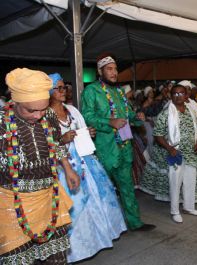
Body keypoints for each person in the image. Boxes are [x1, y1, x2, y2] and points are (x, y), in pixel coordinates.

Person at [0, 68, 80, 264]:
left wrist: (68, 169)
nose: (38, 115)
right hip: (12, 204)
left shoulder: (49, 116)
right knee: (19, 258)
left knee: (57, 258)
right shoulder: (2, 122)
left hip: (48, 197)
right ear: (15, 102)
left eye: (42, 109)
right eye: (31, 110)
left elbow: (56, 143)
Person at [48, 73, 127, 262]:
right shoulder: (44, 115)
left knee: (96, 198)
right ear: (48, 92)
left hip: (85, 160)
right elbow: (48, 144)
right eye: (58, 88)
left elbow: (83, 128)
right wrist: (63, 139)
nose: (63, 91)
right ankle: (78, 250)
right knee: (76, 207)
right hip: (64, 166)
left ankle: (99, 239)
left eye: (64, 87)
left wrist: (88, 132)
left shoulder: (72, 110)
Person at [81, 53, 155, 232]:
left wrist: (137, 118)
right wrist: (109, 122)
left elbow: (128, 115)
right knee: (103, 190)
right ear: (100, 71)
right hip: (105, 149)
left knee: (127, 187)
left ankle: (134, 222)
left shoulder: (120, 92)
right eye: (109, 69)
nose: (114, 73)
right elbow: (87, 116)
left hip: (124, 147)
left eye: (115, 69)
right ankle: (104, 228)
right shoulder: (92, 91)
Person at [152, 84, 197, 223]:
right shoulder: (166, 113)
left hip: (191, 153)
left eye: (181, 93)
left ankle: (189, 207)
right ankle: (175, 211)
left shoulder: (191, 110)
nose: (178, 96)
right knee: (175, 182)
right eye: (175, 94)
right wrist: (170, 148)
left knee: (190, 181)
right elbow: (157, 135)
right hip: (176, 153)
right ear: (171, 96)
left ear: (186, 95)